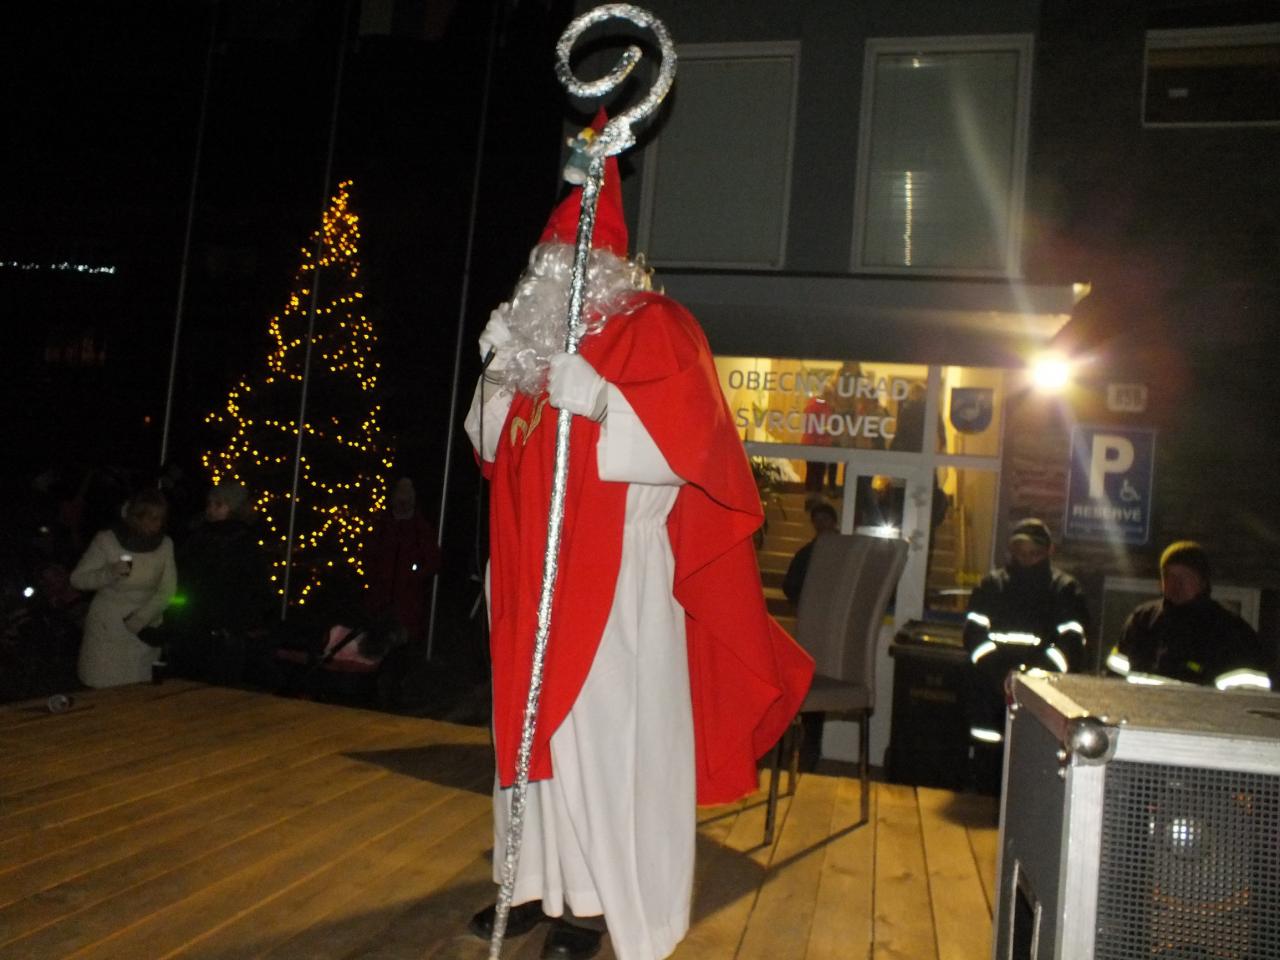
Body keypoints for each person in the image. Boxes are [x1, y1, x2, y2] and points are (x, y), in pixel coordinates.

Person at [463, 116, 813, 960]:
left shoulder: (656, 326)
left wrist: (603, 402)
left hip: (615, 571)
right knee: (528, 740)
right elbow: (492, 452)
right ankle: (535, 882)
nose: (555, 267)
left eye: (570, 254)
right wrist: (497, 372)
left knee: (607, 741)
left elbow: (698, 454)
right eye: (548, 256)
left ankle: (603, 907)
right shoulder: (533, 342)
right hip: (528, 574)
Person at [962, 518, 1089, 752]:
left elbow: (1071, 644)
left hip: (1046, 700)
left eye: (1034, 553)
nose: (1026, 559)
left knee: (1034, 758)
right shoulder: (991, 586)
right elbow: (974, 636)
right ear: (1011, 551)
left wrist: (1034, 678)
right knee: (987, 761)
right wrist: (1002, 674)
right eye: (1020, 552)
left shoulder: (1064, 589)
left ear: (1049, 551)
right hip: (992, 698)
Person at [1107, 541, 1272, 690]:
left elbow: (1247, 699)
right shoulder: (1142, 620)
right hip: (1141, 713)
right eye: (1168, 576)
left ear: (1203, 581)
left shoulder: (1230, 631)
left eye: (1185, 576)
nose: (1175, 584)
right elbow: (1114, 679)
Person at [166, 482, 273, 684]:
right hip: (193, 621)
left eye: (219, 505)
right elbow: (184, 577)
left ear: (234, 508)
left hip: (227, 628)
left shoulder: (243, 542)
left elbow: (254, 587)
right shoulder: (198, 536)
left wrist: (243, 622)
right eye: (210, 503)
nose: (211, 509)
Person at [70, 488, 177, 688]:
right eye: (152, 518)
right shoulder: (107, 540)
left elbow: (168, 589)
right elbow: (78, 579)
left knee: (139, 687)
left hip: (144, 627)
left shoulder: (165, 544)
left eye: (161, 519)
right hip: (108, 628)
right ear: (137, 516)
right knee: (104, 685)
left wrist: (141, 619)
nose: (158, 524)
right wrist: (109, 573)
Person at [363, 477, 441, 646]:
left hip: (407, 602)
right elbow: (368, 555)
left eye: (407, 495)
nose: (403, 500)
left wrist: (415, 574)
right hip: (380, 598)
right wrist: (375, 575)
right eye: (400, 494)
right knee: (377, 642)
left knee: (403, 644)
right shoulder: (382, 526)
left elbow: (432, 561)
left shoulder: (421, 529)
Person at [782, 501, 838, 606]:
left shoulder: (845, 549)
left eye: (825, 519)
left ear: (834, 521)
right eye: (817, 520)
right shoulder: (805, 554)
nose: (821, 524)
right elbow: (791, 584)